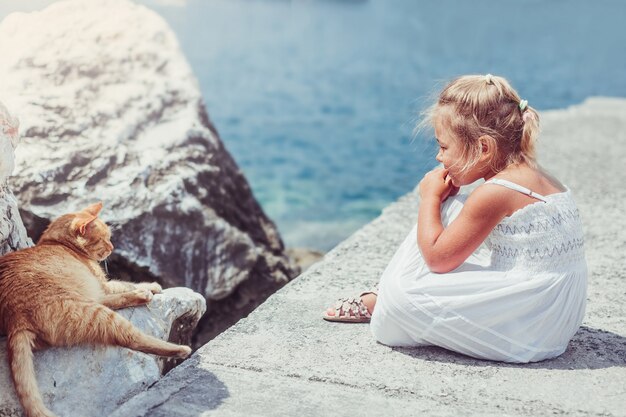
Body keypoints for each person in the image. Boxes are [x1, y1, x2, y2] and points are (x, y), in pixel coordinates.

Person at [323, 74, 587, 363]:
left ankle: (384, 293)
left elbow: (438, 259)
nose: (439, 157)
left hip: (529, 321)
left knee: (398, 301)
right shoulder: (537, 174)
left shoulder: (496, 191)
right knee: (459, 209)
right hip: (555, 317)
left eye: (444, 147)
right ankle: (388, 289)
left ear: (484, 148)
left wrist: (431, 199)